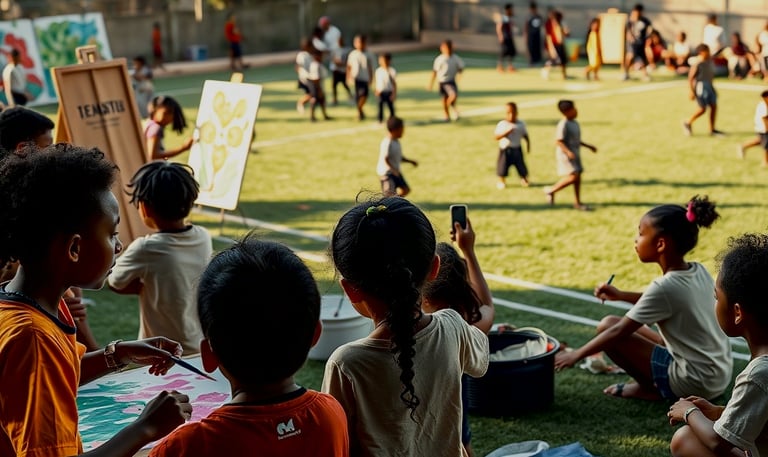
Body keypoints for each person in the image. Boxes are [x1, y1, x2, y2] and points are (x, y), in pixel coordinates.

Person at [0, 143, 193, 457]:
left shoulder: (23, 302)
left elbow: (54, 376)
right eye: (112, 233)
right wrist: (145, 428)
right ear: (74, 248)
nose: (119, 246)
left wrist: (117, 355)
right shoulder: (33, 338)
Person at [148, 234, 349, 456]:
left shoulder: (185, 446)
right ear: (315, 335)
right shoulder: (330, 414)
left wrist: (142, 430)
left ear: (208, 355)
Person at [321, 196, 489, 456]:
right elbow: (482, 352)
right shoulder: (453, 327)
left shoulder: (346, 364)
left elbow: (336, 443)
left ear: (350, 289)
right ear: (434, 268)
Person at [554, 195, 733, 402]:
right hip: (717, 375)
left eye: (640, 234)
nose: (636, 240)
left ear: (661, 244)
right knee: (610, 322)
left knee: (608, 328)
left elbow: (619, 331)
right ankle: (655, 384)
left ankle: (648, 388)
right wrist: (621, 295)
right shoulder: (697, 270)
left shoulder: (665, 287)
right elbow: (667, 301)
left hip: (694, 383)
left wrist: (575, 355)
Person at [0, 106, 100, 352]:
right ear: (23, 148)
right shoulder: (18, 204)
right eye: (48, 146)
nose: (54, 152)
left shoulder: (38, 196)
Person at [668, 233, 768, 457]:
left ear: (737, 312)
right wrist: (718, 412)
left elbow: (718, 443)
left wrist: (689, 412)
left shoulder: (760, 373)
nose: (715, 304)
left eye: (716, 297)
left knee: (685, 439)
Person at [108, 161, 212, 355]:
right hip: (199, 346)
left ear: (144, 207)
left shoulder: (146, 248)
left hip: (161, 352)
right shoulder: (203, 237)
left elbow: (115, 281)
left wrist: (145, 287)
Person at [422, 220, 495, 457]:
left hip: (413, 419)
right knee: (462, 446)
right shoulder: (465, 329)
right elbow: (487, 306)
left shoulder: (407, 329)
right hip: (454, 411)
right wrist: (468, 251)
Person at [543, 99, 597, 211]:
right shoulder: (563, 124)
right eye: (573, 109)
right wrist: (568, 152)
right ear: (566, 112)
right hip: (566, 155)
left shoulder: (575, 123)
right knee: (573, 177)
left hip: (575, 153)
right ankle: (551, 190)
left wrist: (588, 146)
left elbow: (576, 140)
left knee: (578, 178)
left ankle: (577, 202)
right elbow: (559, 141)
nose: (576, 110)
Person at [683, 44, 724, 137]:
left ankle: (712, 129)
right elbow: (690, 78)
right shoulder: (698, 63)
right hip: (701, 88)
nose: (708, 53)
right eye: (707, 51)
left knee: (714, 106)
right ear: (701, 52)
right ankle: (688, 122)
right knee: (702, 109)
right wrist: (691, 91)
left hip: (709, 86)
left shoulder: (709, 61)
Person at [377, 116, 417, 197]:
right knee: (389, 196)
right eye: (401, 130)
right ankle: (392, 203)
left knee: (406, 189)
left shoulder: (396, 141)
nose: (403, 132)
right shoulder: (387, 142)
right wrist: (393, 170)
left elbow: (399, 157)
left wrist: (410, 161)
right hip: (387, 173)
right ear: (394, 130)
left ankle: (396, 202)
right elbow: (386, 158)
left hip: (395, 171)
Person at [145, 95, 194, 161]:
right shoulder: (156, 128)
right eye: (166, 113)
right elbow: (153, 155)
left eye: (172, 114)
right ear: (155, 110)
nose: (170, 117)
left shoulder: (149, 123)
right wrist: (183, 148)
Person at [494, 101, 531, 189]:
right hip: (505, 149)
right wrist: (506, 133)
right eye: (508, 113)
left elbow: (525, 135)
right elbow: (496, 137)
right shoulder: (503, 124)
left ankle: (524, 179)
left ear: (516, 113)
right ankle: (501, 181)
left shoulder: (521, 124)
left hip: (517, 148)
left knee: (521, 165)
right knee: (502, 167)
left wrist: (528, 145)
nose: (511, 115)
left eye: (513, 113)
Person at [427, 39, 465, 122]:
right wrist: (431, 84)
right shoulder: (440, 59)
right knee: (444, 99)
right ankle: (447, 116)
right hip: (442, 81)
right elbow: (435, 72)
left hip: (451, 81)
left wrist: (459, 74)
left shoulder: (455, 58)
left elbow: (460, 68)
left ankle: (452, 109)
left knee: (453, 96)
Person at [346, 34, 375, 121]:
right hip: (356, 78)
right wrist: (348, 77)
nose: (360, 44)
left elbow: (371, 67)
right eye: (358, 42)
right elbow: (349, 66)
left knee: (364, 95)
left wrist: (371, 78)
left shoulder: (369, 54)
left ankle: (359, 109)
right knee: (358, 96)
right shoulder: (353, 54)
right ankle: (360, 112)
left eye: (362, 42)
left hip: (365, 78)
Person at [622, 3, 652, 81]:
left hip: (641, 43)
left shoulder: (645, 21)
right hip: (632, 43)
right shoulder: (630, 21)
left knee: (642, 59)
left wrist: (648, 37)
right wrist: (630, 38)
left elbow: (650, 29)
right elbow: (628, 31)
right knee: (630, 57)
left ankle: (645, 75)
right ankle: (626, 73)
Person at [737, 89, 768, 165]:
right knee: (766, 145)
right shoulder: (764, 107)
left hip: (761, 128)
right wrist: (767, 129)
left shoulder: (764, 104)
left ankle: (743, 146)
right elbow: (765, 119)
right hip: (763, 128)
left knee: (760, 141)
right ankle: (765, 162)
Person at [306, 47, 332, 122]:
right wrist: (319, 89)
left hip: (317, 85)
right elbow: (316, 79)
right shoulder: (316, 65)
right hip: (316, 86)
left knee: (322, 100)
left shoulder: (317, 64)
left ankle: (324, 115)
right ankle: (312, 116)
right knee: (314, 100)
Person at [542, 9, 568, 80]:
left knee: (563, 60)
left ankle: (564, 75)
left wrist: (565, 32)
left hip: (560, 44)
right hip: (553, 44)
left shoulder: (560, 24)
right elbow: (548, 37)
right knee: (553, 60)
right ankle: (545, 71)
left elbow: (564, 33)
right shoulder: (549, 24)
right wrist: (551, 48)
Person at [374, 52, 397, 124]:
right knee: (380, 106)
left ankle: (392, 119)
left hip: (389, 91)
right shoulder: (378, 71)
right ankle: (380, 120)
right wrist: (377, 90)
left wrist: (394, 93)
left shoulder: (391, 71)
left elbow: (394, 83)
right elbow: (377, 81)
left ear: (388, 61)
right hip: (381, 91)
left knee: (390, 106)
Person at [330, 34, 352, 105]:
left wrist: (343, 64)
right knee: (334, 85)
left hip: (343, 70)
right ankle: (335, 99)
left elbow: (348, 60)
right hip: (336, 70)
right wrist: (337, 62)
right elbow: (332, 58)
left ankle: (350, 96)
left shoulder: (346, 50)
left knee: (345, 84)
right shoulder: (335, 49)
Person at [496, 3, 517, 72]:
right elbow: (499, 27)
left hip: (509, 37)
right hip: (505, 37)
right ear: (508, 10)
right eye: (511, 9)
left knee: (511, 52)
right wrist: (500, 36)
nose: (512, 11)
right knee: (503, 52)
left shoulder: (509, 17)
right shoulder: (504, 18)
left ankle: (510, 66)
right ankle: (500, 66)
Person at [295, 38, 313, 115]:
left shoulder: (309, 55)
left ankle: (307, 107)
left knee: (311, 94)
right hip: (305, 78)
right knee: (312, 93)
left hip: (310, 77)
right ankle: (300, 103)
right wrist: (302, 75)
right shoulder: (302, 55)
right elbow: (298, 66)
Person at [524, 1, 544, 65]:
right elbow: (526, 27)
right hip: (531, 36)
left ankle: (537, 60)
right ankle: (531, 61)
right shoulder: (529, 17)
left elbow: (542, 25)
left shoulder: (539, 17)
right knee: (531, 49)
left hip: (537, 35)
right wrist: (526, 36)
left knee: (537, 48)